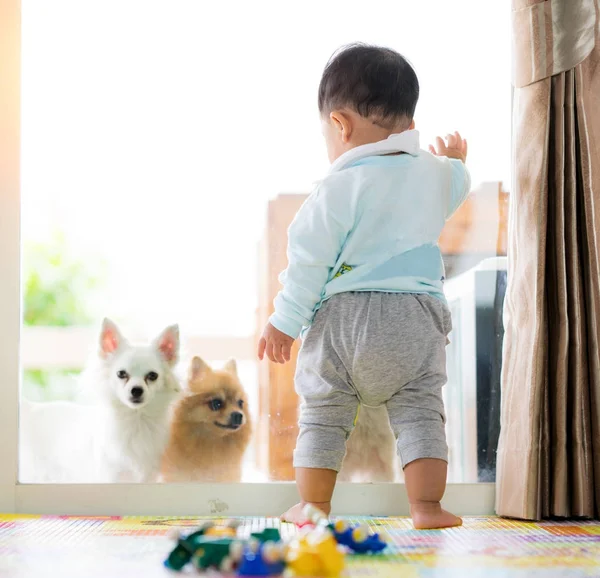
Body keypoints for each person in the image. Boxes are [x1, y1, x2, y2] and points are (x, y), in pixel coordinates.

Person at [258, 43, 469, 529]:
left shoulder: (336, 187)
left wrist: (284, 322)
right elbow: (455, 186)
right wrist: (456, 160)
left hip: (345, 322)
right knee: (420, 414)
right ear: (410, 121)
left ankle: (312, 506)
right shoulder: (434, 174)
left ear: (340, 125)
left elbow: (308, 262)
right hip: (417, 318)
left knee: (324, 414)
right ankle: (428, 508)